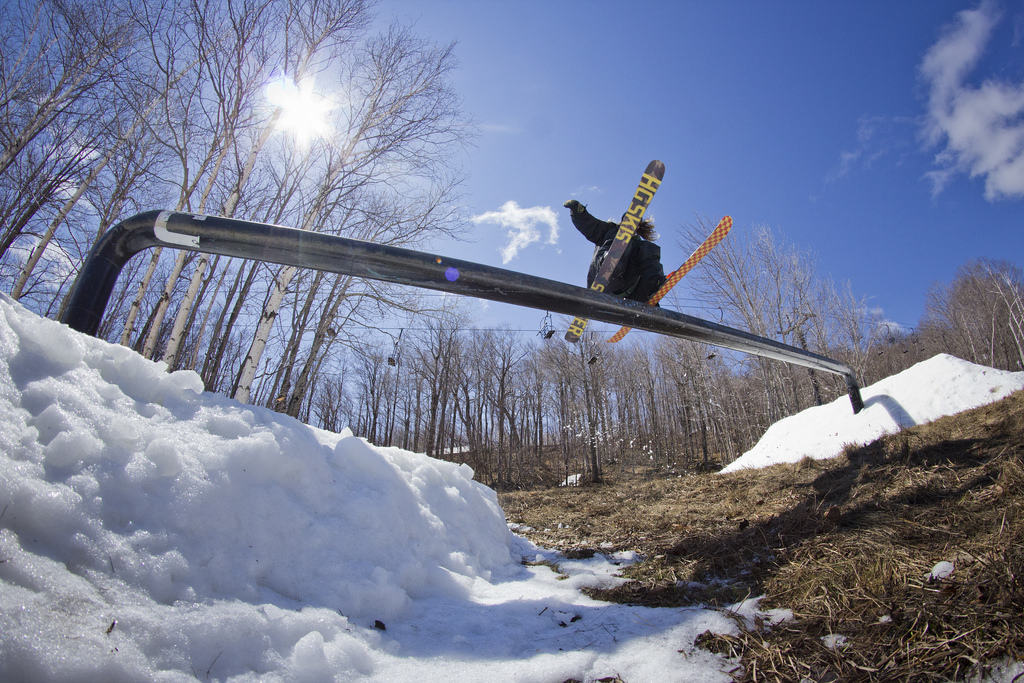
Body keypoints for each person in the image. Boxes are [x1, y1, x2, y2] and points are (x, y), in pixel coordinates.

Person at [563, 199, 666, 304]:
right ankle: (610, 262)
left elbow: (649, 266)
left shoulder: (640, 246)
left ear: (638, 227)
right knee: (621, 239)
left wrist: (655, 283)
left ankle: (652, 287)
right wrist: (578, 211)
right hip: (603, 278)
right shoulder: (609, 230)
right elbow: (591, 226)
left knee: (648, 250)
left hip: (629, 292)